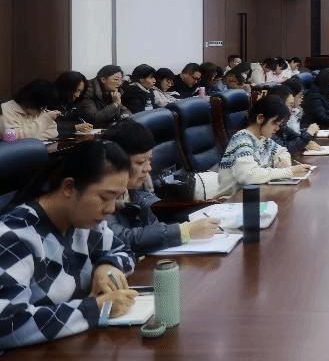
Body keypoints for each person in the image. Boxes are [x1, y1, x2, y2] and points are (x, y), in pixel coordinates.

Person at [0, 141, 138, 348]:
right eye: (105, 197)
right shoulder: (14, 235)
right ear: (69, 187)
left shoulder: (84, 221)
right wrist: (95, 308)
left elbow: (123, 250)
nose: (110, 209)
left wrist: (107, 267)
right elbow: (7, 322)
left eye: (117, 198)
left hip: (76, 346)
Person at [103, 120, 219, 254]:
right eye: (140, 162)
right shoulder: (102, 194)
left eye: (149, 160)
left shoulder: (136, 188)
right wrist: (185, 231)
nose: (148, 168)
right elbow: (122, 239)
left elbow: (152, 223)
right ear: (116, 161)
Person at [216, 95, 312, 198]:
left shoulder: (264, 139)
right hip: (231, 200)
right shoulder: (241, 140)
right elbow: (248, 176)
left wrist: (282, 161)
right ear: (260, 118)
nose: (277, 128)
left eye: (279, 124)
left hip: (254, 197)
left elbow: (283, 151)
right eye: (275, 123)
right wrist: (288, 171)